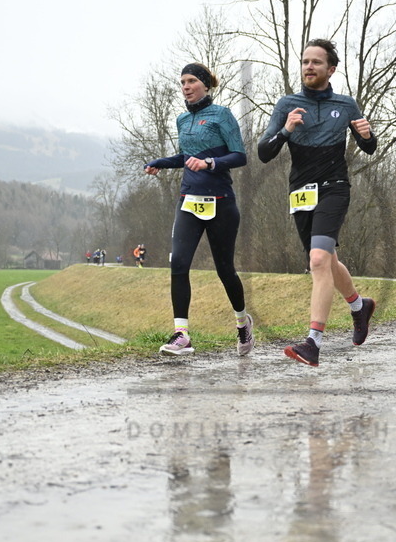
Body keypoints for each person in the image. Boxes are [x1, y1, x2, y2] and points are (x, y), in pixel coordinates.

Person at [258, 38, 377, 367]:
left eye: (316, 62)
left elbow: (369, 147)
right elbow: (263, 152)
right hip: (300, 192)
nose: (309, 67)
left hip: (334, 188)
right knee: (327, 261)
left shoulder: (346, 104)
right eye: (305, 61)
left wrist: (366, 135)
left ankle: (313, 342)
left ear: (331, 69)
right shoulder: (288, 104)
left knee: (318, 260)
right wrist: (285, 130)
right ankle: (359, 306)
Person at [143, 62, 254, 357]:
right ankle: (182, 335)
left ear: (205, 84)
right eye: (182, 82)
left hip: (221, 202)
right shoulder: (182, 120)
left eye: (191, 81)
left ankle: (243, 323)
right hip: (189, 200)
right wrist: (161, 163)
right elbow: (186, 157)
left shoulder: (222, 115)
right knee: (178, 263)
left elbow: (240, 155)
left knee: (225, 270)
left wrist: (210, 164)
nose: (186, 87)